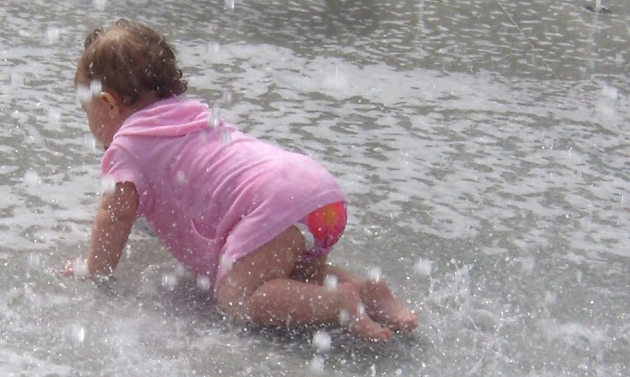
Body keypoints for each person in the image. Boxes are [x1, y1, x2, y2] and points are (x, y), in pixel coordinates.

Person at [64, 20, 418, 344]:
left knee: (236, 295)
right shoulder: (189, 115)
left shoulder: (128, 145)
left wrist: (94, 269)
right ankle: (368, 292)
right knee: (295, 273)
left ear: (109, 104)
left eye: (86, 112)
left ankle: (339, 303)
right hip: (318, 195)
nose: (90, 127)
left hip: (276, 203)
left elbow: (115, 215)